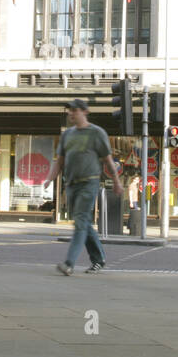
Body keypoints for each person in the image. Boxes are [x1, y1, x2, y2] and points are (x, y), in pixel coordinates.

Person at [42, 98, 123, 275]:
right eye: (70, 110)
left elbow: (108, 160)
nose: (71, 113)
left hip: (89, 182)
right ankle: (99, 259)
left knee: (80, 221)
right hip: (71, 185)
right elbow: (60, 161)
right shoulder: (67, 135)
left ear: (85, 112)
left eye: (75, 110)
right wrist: (50, 178)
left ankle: (69, 263)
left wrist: (116, 181)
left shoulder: (96, 133)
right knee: (83, 222)